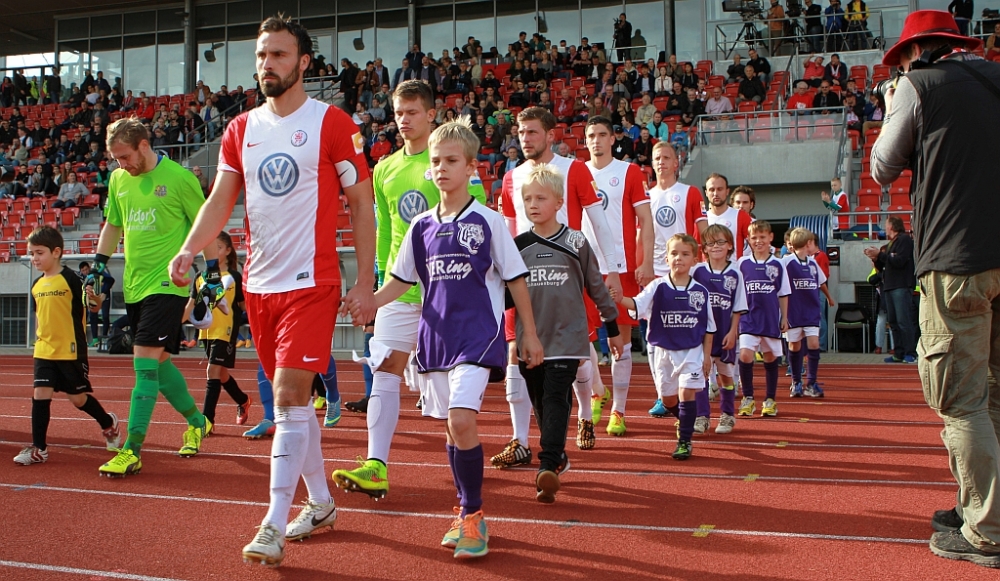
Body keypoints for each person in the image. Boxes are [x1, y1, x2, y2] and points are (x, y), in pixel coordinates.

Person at [168, 16, 377, 567]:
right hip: (258, 287)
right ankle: (322, 503)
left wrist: (365, 280)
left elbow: (361, 204)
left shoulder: (332, 123)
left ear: (303, 62)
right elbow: (220, 200)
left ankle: (273, 523)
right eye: (262, 55)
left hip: (312, 282)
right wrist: (189, 249)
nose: (267, 64)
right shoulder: (240, 129)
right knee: (297, 407)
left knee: (285, 398)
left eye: (279, 55)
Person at [373, 119, 543, 557]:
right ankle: (463, 510)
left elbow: (516, 278)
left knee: (463, 420)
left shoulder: (488, 221)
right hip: (435, 339)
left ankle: (473, 514)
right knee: (452, 427)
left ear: (470, 167)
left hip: (477, 336)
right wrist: (368, 303)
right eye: (436, 161)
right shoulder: (420, 227)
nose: (442, 168)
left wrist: (529, 334)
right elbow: (400, 280)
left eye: (451, 161)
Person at [330, 80, 487, 499]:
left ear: (431, 114)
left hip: (446, 291)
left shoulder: (449, 160)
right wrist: (377, 282)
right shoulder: (384, 169)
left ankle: (463, 464)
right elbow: (384, 231)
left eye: (412, 112)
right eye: (398, 112)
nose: (403, 120)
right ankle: (376, 465)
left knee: (445, 395)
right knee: (385, 369)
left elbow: (476, 219)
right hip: (398, 290)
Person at [494, 107, 623, 467]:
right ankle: (521, 441)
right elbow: (508, 231)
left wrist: (611, 269)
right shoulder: (511, 177)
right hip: (524, 279)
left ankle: (585, 414)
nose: (525, 139)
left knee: (577, 357)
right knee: (516, 354)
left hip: (565, 277)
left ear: (550, 135)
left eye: (533, 132)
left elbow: (599, 222)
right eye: (521, 132)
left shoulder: (574, 169)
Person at [91, 117, 211, 481]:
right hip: (134, 285)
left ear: (143, 145)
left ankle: (132, 449)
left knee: (143, 365)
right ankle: (197, 421)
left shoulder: (180, 178)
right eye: (116, 158)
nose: (121, 164)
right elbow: (113, 224)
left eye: (125, 156)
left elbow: (206, 224)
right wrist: (98, 264)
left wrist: (211, 274)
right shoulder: (118, 179)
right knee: (159, 364)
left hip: (169, 284)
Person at [514, 163, 621, 502]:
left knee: (555, 397)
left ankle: (547, 465)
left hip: (568, 339)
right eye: (527, 199)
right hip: (530, 340)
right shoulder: (518, 245)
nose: (533, 205)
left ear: (559, 202)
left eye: (540, 198)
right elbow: (505, 294)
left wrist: (612, 326)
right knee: (541, 402)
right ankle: (557, 454)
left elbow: (596, 287)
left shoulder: (576, 241)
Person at [14, 226, 121, 466]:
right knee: (40, 394)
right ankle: (39, 448)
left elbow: (94, 306)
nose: (34, 258)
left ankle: (108, 423)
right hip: (44, 350)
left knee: (78, 399)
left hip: (70, 350)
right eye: (31, 254)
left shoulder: (73, 279)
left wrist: (93, 297)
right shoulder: (36, 285)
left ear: (56, 252)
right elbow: (40, 317)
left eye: (39, 253)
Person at [613, 234, 715, 460]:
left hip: (691, 352)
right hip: (664, 353)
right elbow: (636, 304)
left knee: (686, 392)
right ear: (666, 258)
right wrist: (619, 298)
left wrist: (706, 357)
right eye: (674, 253)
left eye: (685, 254)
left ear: (694, 259)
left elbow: (709, 329)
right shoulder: (657, 287)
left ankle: (684, 441)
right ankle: (684, 420)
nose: (679, 258)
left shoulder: (700, 291)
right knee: (668, 400)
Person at [584, 117, 654, 438]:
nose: (596, 140)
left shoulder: (629, 172)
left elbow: (645, 220)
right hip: (584, 267)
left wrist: (646, 261)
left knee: (621, 344)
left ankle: (619, 410)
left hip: (620, 268)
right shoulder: (578, 172)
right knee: (581, 339)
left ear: (613, 139)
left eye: (602, 134)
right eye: (591, 135)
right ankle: (598, 390)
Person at [183, 231, 253, 429]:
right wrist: (174, 323)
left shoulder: (234, 277)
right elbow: (190, 305)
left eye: (218, 248)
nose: (213, 251)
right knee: (221, 374)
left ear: (228, 251)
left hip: (226, 330)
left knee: (212, 371)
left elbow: (244, 305)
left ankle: (207, 421)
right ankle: (243, 400)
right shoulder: (200, 277)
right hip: (206, 332)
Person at [691, 225, 748, 435]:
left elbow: (738, 307)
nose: (716, 246)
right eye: (711, 243)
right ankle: (702, 416)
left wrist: (733, 332)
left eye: (721, 242)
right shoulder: (697, 272)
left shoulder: (735, 273)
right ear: (704, 248)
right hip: (701, 336)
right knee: (701, 375)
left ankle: (727, 414)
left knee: (726, 376)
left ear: (730, 245)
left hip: (725, 334)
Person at [736, 220, 790, 419]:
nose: (758, 241)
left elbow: (783, 293)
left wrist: (785, 317)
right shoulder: (742, 263)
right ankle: (748, 397)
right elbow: (737, 292)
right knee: (745, 355)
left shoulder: (778, 263)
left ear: (770, 238)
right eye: (754, 238)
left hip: (770, 319)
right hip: (748, 318)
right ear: (748, 240)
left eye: (762, 237)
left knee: (770, 358)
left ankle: (770, 399)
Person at [782, 228, 835, 399]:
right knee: (794, 345)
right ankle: (796, 381)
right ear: (808, 243)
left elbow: (821, 282)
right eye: (812, 242)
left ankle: (811, 382)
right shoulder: (787, 262)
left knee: (813, 343)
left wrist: (829, 297)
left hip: (811, 311)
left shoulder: (813, 263)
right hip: (794, 311)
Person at [863, 217, 916, 363]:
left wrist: (880, 255)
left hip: (901, 285)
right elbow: (883, 266)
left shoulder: (904, 240)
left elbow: (900, 261)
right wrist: (875, 259)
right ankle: (899, 353)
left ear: (892, 226)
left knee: (903, 320)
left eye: (886, 224)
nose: (885, 227)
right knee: (893, 321)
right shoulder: (890, 244)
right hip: (889, 286)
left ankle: (910, 353)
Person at [704, 173, 753, 259]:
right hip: (707, 267)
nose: (715, 193)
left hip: (735, 267)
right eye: (712, 190)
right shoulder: (701, 219)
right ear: (706, 193)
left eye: (720, 189)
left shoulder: (741, 216)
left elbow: (756, 244)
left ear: (727, 191)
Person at [79, 261, 115, 347]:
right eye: (83, 270)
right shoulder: (82, 277)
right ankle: (95, 339)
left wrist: (104, 291)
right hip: (93, 298)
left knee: (105, 316)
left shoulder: (97, 273)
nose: (85, 272)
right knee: (92, 316)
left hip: (103, 296)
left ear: (89, 268)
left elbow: (111, 280)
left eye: (86, 269)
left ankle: (104, 338)